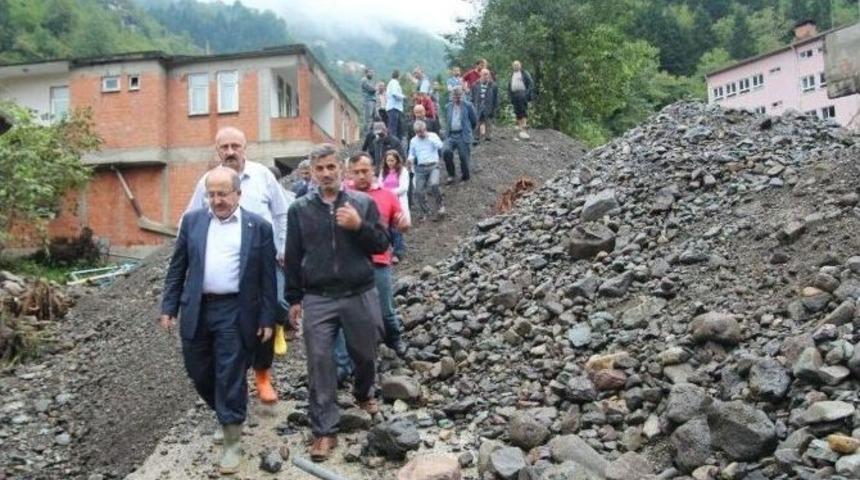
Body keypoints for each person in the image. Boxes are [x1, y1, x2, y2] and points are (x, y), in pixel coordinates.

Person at [160, 166, 276, 474]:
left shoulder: (258, 227)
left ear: (238, 193)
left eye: (222, 193)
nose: (216, 200)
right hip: (197, 307)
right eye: (211, 194)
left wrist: (266, 318)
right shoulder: (193, 223)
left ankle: (231, 439)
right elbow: (177, 268)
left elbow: (268, 279)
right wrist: (168, 307)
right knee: (198, 370)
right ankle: (226, 411)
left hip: (236, 310)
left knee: (229, 372)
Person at [285, 143, 390, 462]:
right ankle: (324, 430)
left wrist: (359, 226)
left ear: (341, 170)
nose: (327, 173)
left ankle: (363, 392)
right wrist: (293, 298)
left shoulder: (361, 203)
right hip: (318, 297)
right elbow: (292, 256)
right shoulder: (299, 209)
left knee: (366, 352)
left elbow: (381, 244)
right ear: (312, 173)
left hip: (358, 291)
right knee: (319, 361)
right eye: (320, 168)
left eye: (331, 167)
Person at [184, 127, 289, 405]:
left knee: (273, 308)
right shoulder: (208, 181)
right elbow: (189, 219)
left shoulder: (263, 176)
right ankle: (236, 375)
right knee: (237, 320)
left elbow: (281, 212)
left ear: (245, 147)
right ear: (217, 150)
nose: (230, 152)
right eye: (224, 147)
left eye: (235, 146)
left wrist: (283, 248)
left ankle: (263, 373)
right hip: (228, 264)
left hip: (264, 260)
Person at [334, 152, 411, 382]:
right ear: (348, 173)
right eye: (356, 172)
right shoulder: (339, 197)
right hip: (347, 264)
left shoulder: (386, 195)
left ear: (373, 170)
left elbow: (401, 222)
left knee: (385, 308)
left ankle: (394, 337)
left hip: (378, 261)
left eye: (365, 171)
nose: (361, 176)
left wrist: (404, 223)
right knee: (344, 314)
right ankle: (344, 363)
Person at [407, 120, 445, 221]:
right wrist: (410, 160)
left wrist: (429, 138)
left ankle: (440, 204)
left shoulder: (432, 136)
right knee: (418, 191)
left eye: (422, 131)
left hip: (433, 165)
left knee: (434, 184)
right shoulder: (413, 141)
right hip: (420, 168)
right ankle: (426, 210)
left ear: (425, 129)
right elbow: (411, 153)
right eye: (418, 132)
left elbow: (441, 146)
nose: (420, 134)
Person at [379, 149, 410, 262]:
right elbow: (380, 185)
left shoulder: (403, 171)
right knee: (386, 227)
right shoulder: (383, 171)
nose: (390, 163)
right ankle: (395, 248)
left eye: (392, 160)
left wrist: (389, 193)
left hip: (397, 202)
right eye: (388, 161)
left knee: (396, 227)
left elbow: (404, 187)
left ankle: (398, 252)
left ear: (397, 160)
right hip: (385, 203)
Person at [442, 86, 478, 183]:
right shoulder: (448, 106)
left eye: (459, 95)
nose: (457, 97)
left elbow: (474, 121)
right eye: (455, 95)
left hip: (462, 134)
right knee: (446, 151)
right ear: (452, 96)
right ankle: (451, 174)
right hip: (451, 135)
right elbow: (447, 121)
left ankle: (465, 175)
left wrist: (468, 131)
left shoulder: (468, 105)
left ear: (462, 95)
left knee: (463, 156)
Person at [470, 68, 499, 144]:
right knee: (477, 122)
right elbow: (472, 97)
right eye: (485, 74)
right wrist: (473, 106)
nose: (486, 76)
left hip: (488, 106)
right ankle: (476, 138)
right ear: (481, 75)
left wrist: (494, 108)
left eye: (487, 74)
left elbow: (496, 98)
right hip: (478, 105)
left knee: (488, 122)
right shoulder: (475, 84)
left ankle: (487, 138)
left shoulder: (493, 85)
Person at [509, 60, 534, 133]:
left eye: (517, 65)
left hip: (522, 93)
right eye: (514, 65)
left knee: (523, 108)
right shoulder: (512, 74)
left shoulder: (524, 73)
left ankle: (524, 125)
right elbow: (509, 85)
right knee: (516, 109)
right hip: (514, 94)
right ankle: (519, 125)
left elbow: (530, 83)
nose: (516, 66)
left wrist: (527, 93)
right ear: (512, 66)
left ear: (520, 65)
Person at [385, 70, 405, 141]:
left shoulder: (392, 83)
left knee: (398, 127)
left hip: (395, 107)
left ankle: (397, 142)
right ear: (398, 76)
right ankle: (393, 142)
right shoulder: (394, 82)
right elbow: (394, 93)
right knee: (393, 127)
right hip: (394, 107)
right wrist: (403, 97)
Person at [360, 68, 377, 135]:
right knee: (368, 118)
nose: (372, 74)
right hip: (368, 100)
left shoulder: (370, 81)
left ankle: (372, 132)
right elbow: (372, 89)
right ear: (366, 73)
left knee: (374, 117)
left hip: (372, 100)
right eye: (370, 72)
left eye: (372, 73)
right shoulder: (364, 80)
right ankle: (367, 134)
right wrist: (375, 88)